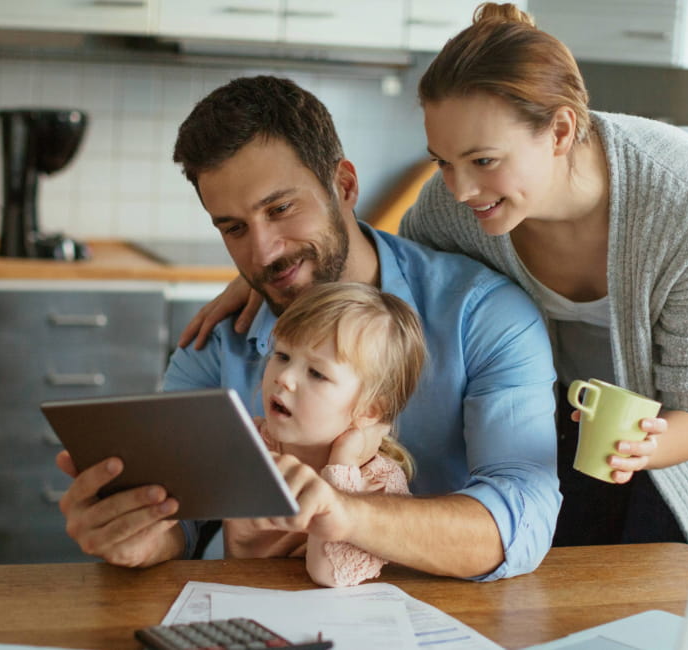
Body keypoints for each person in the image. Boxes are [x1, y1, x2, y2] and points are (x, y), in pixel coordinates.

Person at [183, 5, 688, 548]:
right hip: (577, 413)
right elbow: (390, 279)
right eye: (444, 162)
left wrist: (645, 446)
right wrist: (271, 272)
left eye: (483, 162)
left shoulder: (685, 203)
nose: (460, 187)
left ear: (562, 132)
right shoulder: (457, 205)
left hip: (686, 419)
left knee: (670, 569)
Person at [56, 74, 561, 581]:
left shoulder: (484, 316)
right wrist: (140, 535)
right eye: (233, 227)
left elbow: (522, 518)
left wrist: (345, 515)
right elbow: (181, 516)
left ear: (343, 186)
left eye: (280, 208)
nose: (263, 253)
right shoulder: (216, 342)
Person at [227, 281, 424, 587]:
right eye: (281, 355)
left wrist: (340, 466)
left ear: (369, 410)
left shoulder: (377, 482)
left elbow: (328, 573)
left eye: (317, 373)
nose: (285, 378)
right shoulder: (252, 443)